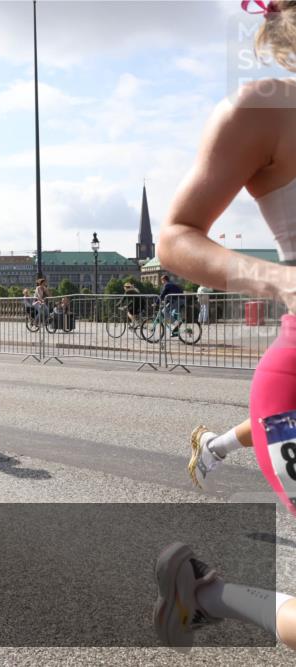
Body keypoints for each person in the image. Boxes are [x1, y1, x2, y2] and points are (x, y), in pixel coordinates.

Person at [153, 0, 296, 650]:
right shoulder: (266, 107)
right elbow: (176, 236)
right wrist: (280, 280)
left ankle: (203, 594)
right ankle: (208, 593)